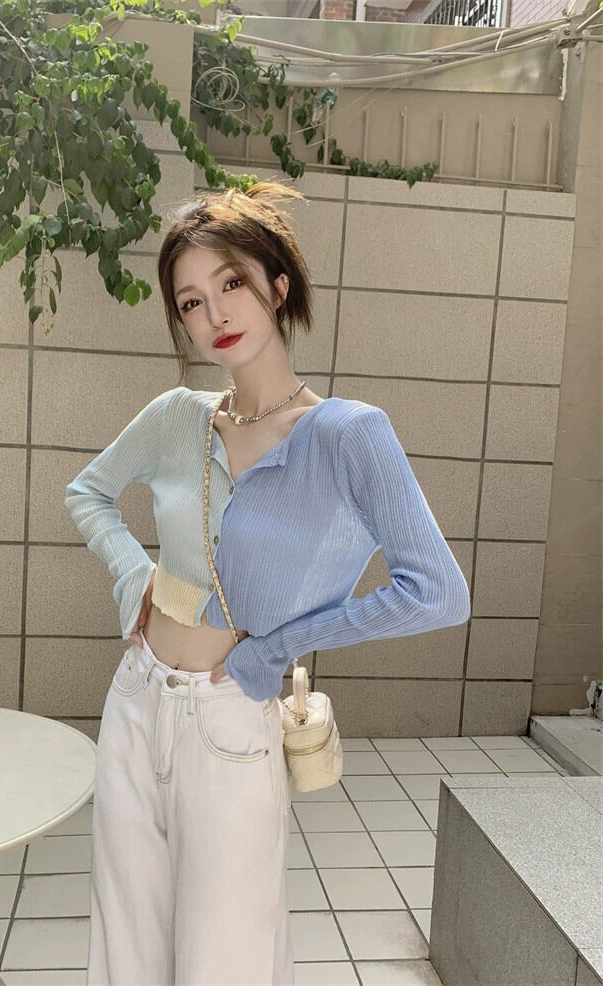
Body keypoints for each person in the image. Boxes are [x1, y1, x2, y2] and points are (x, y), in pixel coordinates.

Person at [64, 181, 472, 986]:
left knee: (226, 958)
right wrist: (133, 573)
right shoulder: (179, 417)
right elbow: (89, 492)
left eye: (232, 283)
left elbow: (437, 591)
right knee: (126, 946)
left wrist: (278, 649)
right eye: (190, 301)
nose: (213, 313)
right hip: (137, 698)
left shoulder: (348, 436)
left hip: (232, 718)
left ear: (278, 287)